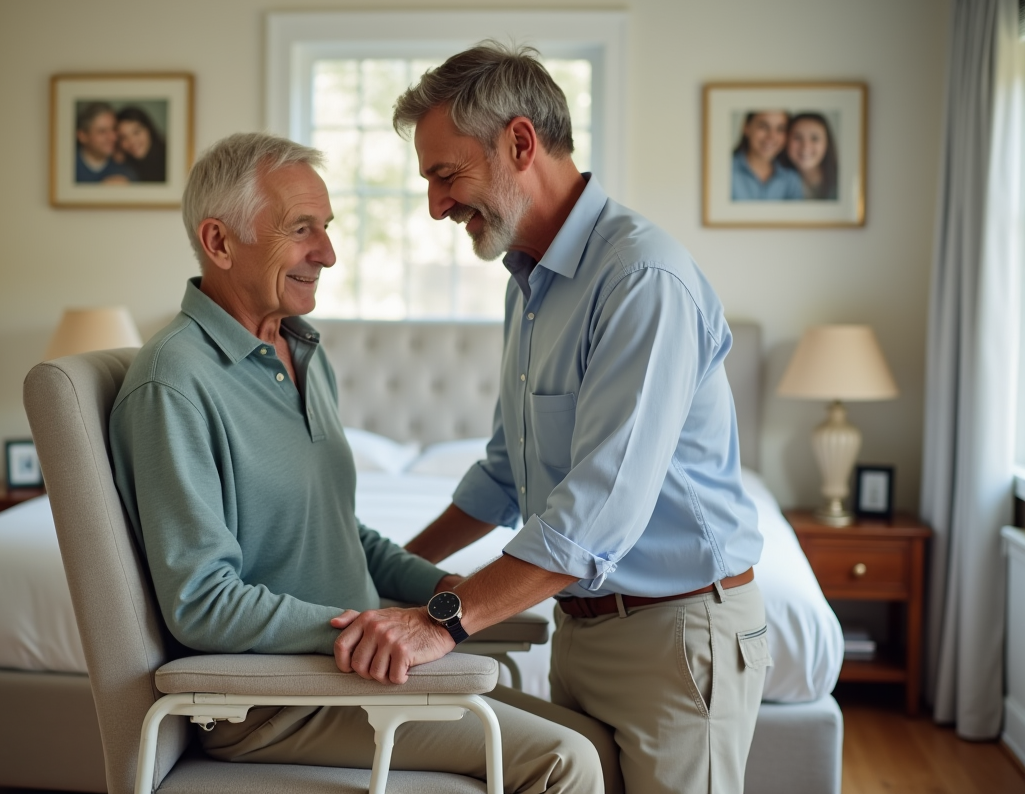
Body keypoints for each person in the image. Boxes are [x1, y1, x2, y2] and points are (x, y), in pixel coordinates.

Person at [108, 132, 615, 794]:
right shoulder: (173, 383)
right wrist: (371, 630)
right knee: (565, 762)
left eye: (327, 228)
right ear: (219, 242)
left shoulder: (300, 353)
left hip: (346, 672)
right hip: (275, 701)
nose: (328, 253)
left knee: (597, 745)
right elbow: (202, 602)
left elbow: (340, 534)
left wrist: (447, 597)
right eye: (301, 230)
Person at [330, 42, 769, 794]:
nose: (436, 206)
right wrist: (388, 578)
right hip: (580, 625)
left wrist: (441, 618)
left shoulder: (641, 279)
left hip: (677, 634)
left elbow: (595, 514)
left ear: (520, 143)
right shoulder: (529, 281)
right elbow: (504, 473)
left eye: (445, 175)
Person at [730, 109, 802, 200]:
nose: (772, 136)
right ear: (746, 128)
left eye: (780, 129)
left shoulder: (790, 176)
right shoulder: (725, 170)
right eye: (763, 127)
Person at [74, 102, 136, 184]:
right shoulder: (66, 169)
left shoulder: (126, 172)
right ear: (82, 136)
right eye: (102, 131)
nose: (113, 137)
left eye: (114, 129)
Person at [783, 112, 838, 200]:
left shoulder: (841, 181)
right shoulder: (779, 181)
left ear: (827, 143)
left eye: (814, 138)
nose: (805, 146)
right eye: (797, 137)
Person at [115, 105, 168, 182]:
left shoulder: (169, 156)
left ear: (149, 129)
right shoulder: (124, 166)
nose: (132, 141)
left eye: (136, 132)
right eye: (124, 137)